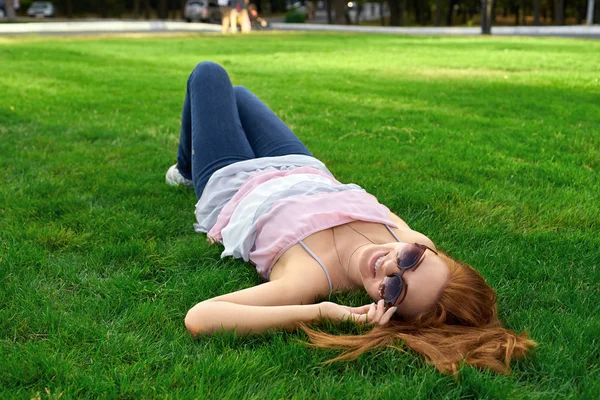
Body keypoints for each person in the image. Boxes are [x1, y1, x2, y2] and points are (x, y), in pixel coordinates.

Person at [166, 62, 536, 375]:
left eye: (394, 288)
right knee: (240, 95)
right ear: (426, 252)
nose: (390, 264)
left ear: (384, 309)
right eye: (410, 259)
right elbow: (398, 232)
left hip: (236, 180)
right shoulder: (419, 241)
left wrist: (324, 311)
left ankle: (188, 169)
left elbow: (201, 316)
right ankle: (188, 163)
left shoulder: (311, 277)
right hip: (303, 167)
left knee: (209, 76)